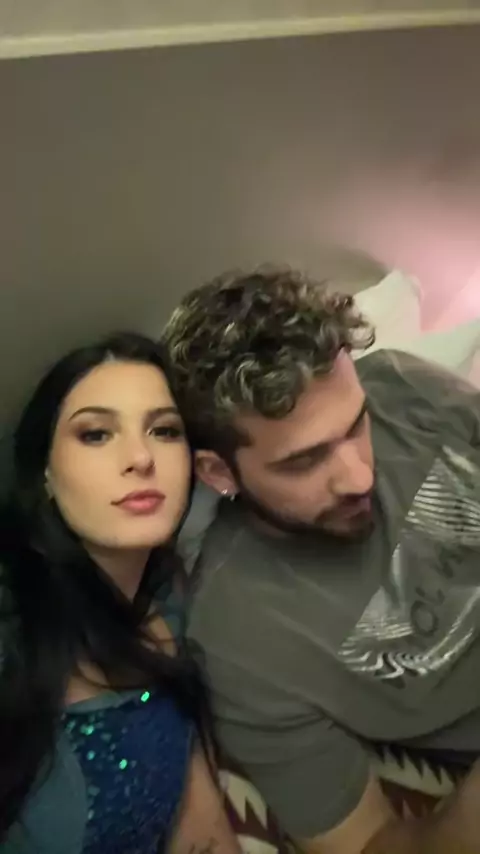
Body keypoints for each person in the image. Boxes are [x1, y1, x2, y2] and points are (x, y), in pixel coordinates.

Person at [163, 267, 480, 854]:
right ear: (218, 472)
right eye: (304, 461)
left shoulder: (402, 386)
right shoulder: (241, 637)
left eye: (356, 424)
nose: (359, 476)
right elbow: (371, 843)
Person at [0, 332, 241, 854]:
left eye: (165, 430)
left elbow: (201, 828)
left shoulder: (174, 600)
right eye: (96, 434)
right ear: (44, 472)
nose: (140, 457)